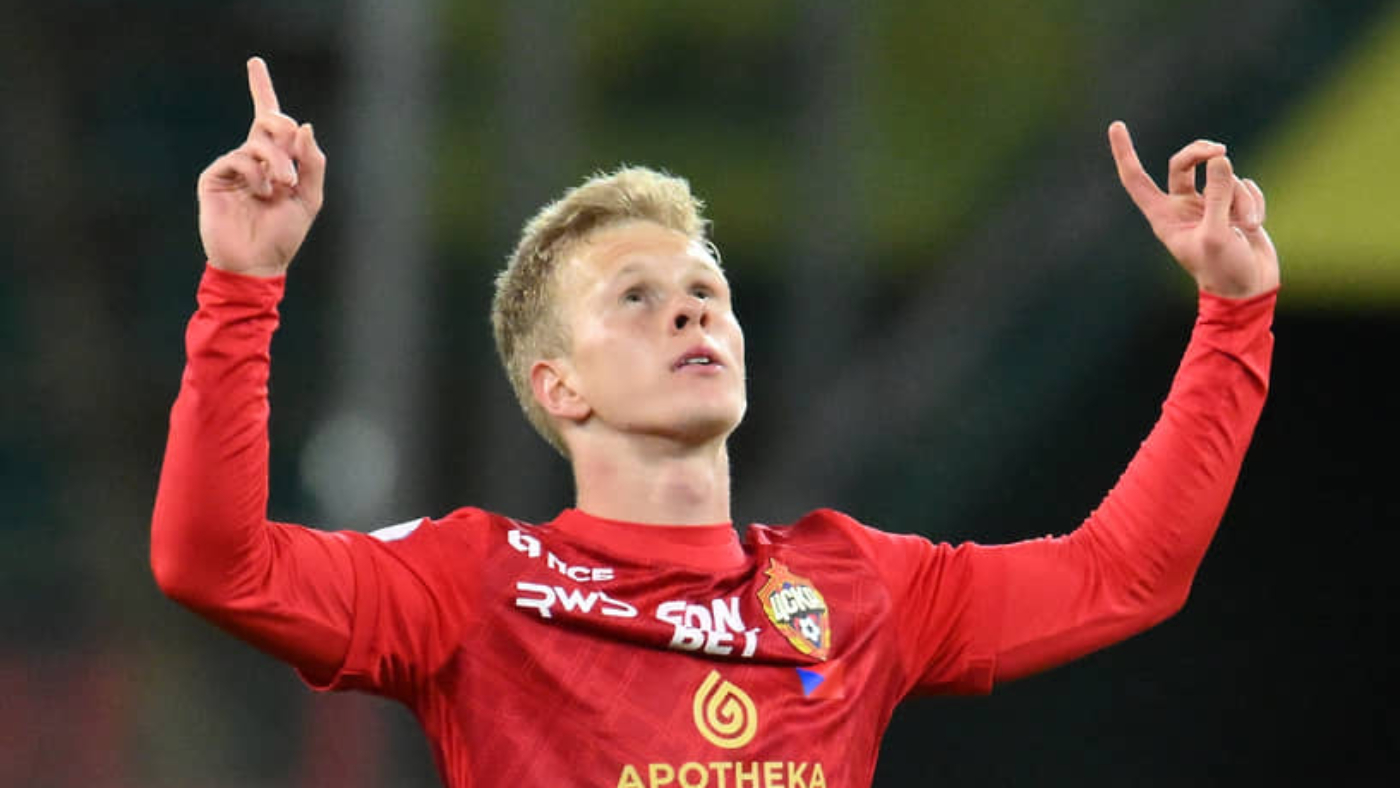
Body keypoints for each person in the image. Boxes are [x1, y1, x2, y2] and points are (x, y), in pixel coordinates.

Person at [152, 57, 1278, 788]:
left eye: (706, 289)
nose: (692, 309)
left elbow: (1123, 574)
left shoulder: (853, 589)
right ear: (559, 386)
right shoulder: (474, 585)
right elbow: (215, 566)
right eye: (635, 297)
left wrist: (1232, 311)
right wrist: (242, 285)